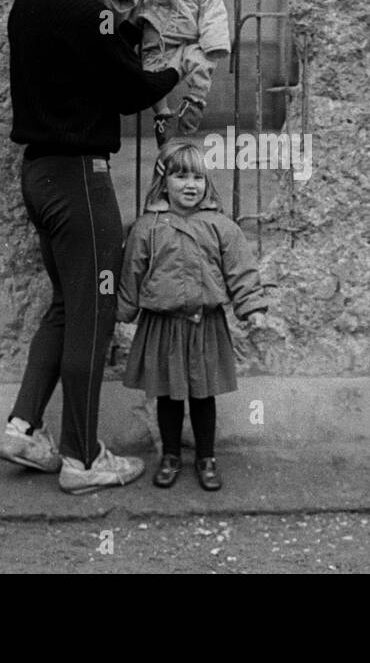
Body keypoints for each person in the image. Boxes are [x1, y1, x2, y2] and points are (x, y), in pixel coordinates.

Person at [0, 0, 201, 495]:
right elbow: (126, 88)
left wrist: (133, 28)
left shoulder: (31, 7)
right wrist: (178, 74)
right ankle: (84, 458)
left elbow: (102, 50)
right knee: (93, 317)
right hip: (80, 182)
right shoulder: (84, 15)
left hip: (40, 177)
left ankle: (22, 428)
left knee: (67, 307)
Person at [116, 141, 270, 491]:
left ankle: (206, 457)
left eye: (198, 177)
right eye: (180, 175)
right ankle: (170, 456)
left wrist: (252, 307)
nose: (190, 185)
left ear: (207, 182)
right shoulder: (147, 228)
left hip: (206, 324)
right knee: (169, 395)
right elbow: (132, 273)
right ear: (163, 181)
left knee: (203, 394)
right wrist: (122, 313)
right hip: (163, 325)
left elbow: (241, 271)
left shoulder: (221, 227)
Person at [110, 0, 231, 146]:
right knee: (150, 77)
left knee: (202, 62)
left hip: (187, 45)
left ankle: (194, 102)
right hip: (156, 45)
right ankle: (163, 117)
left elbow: (215, 10)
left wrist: (214, 43)